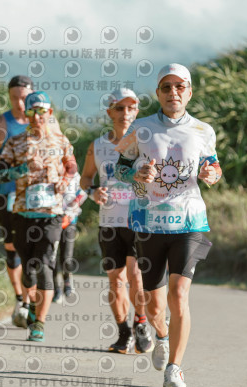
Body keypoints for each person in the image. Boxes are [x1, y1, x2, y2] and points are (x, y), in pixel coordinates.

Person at [115, 63, 222, 387]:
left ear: (189, 92)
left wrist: (211, 174)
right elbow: (120, 167)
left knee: (179, 294)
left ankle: (174, 369)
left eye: (180, 86)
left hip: (189, 221)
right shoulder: (141, 128)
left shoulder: (203, 130)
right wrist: (135, 174)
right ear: (158, 93)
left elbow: (213, 166)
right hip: (148, 222)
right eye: (166, 87)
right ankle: (161, 335)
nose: (173, 92)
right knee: (155, 305)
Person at [0, 91, 77, 342]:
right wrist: (23, 169)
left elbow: (72, 166)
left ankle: (39, 323)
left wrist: (65, 181)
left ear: (49, 113)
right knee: (28, 268)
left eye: (42, 111)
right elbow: (0, 174)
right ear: (26, 113)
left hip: (51, 213)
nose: (37, 116)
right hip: (22, 212)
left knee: (44, 265)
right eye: (32, 111)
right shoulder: (15, 142)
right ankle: (31, 305)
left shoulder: (60, 140)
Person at [80, 88, 154, 355]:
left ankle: (141, 323)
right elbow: (85, 178)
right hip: (109, 221)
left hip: (138, 219)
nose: (125, 113)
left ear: (137, 112)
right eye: (119, 108)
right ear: (109, 112)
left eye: (131, 108)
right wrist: (93, 192)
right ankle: (124, 332)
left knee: (136, 276)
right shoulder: (97, 146)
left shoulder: (146, 142)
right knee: (115, 279)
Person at [0, 75, 33, 328]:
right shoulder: (0, 122)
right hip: (6, 193)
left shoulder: (43, 120)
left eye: (24, 98)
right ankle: (21, 298)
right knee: (12, 247)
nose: (20, 104)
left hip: (36, 196)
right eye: (14, 98)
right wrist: (4, 161)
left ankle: (31, 302)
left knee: (31, 249)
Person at [53, 172, 87, 303]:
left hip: (70, 220)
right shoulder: (52, 171)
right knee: (52, 256)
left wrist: (73, 205)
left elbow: (83, 192)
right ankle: (56, 288)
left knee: (66, 256)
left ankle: (67, 281)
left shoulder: (75, 175)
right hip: (53, 219)